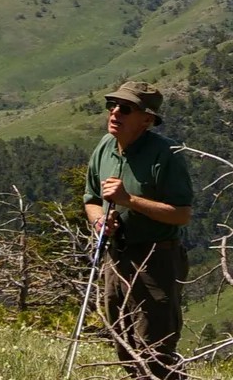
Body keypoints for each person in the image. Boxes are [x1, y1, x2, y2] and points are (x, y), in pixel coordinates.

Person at [84, 81, 194, 379]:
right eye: (112, 106)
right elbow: (91, 199)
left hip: (156, 260)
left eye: (125, 109)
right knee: (122, 340)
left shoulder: (166, 154)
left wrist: (129, 201)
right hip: (116, 255)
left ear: (146, 119)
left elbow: (181, 214)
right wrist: (99, 221)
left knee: (155, 347)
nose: (115, 113)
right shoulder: (105, 146)